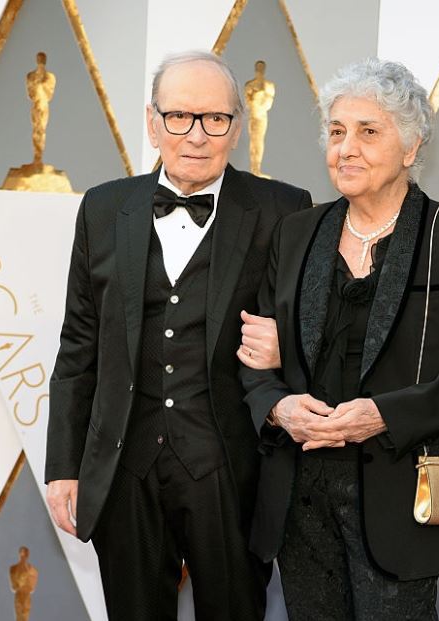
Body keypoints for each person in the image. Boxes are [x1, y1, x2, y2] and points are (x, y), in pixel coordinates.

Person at [239, 58, 439, 620]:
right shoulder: (296, 232)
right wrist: (279, 405)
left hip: (399, 495)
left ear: (411, 149)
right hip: (299, 498)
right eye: (337, 132)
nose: (347, 148)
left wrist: (383, 415)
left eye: (368, 131)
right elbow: (255, 358)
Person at [45, 50, 312, 621]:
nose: (197, 135)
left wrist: (285, 346)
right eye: (180, 117)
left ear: (236, 128)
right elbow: (78, 346)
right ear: (152, 121)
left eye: (215, 119)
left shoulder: (284, 209)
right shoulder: (103, 207)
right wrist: (64, 465)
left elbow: (309, 329)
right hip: (124, 466)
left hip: (230, 466)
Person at [9, 546, 38, 621]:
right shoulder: (13, 569)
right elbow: (14, 586)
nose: (23, 555)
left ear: (28, 555)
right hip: (19, 595)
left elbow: (32, 588)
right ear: (19, 554)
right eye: (22, 553)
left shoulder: (33, 571)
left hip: (26, 595)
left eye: (25, 554)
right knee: (19, 615)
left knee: (25, 615)